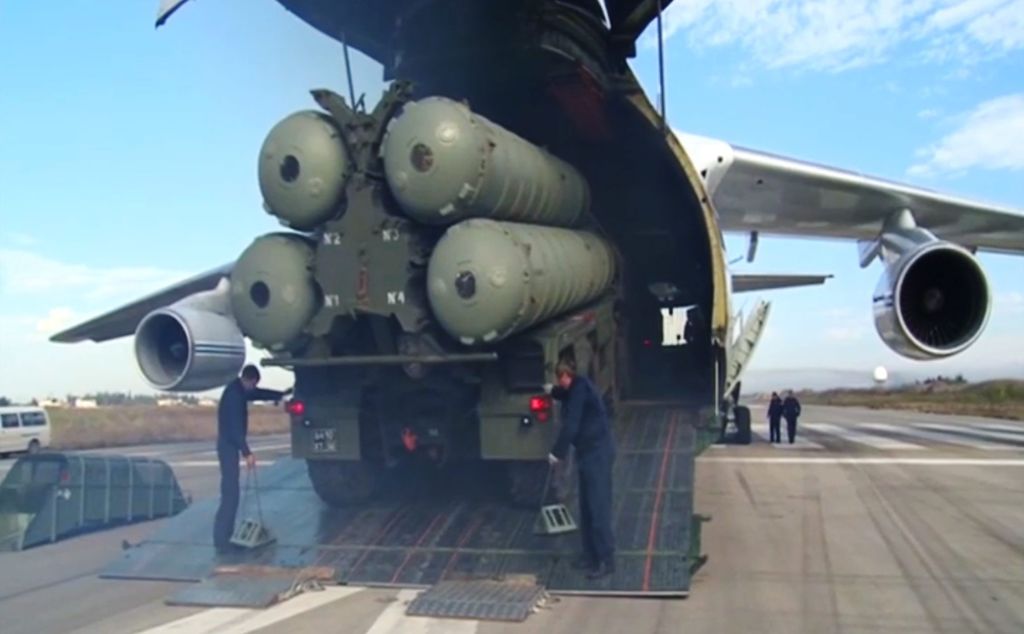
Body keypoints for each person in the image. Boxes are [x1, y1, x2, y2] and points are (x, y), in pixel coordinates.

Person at [546, 357, 616, 579]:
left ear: (568, 375)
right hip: (586, 453)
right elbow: (565, 393)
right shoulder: (575, 387)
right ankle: (589, 555)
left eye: (561, 379)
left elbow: (571, 425)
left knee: (598, 506)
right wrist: (552, 391)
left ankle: (605, 559)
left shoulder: (580, 390)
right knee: (585, 506)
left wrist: (557, 453)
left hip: (598, 452)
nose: (560, 382)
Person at [213, 364, 290, 553]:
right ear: (250, 380)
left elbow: (258, 394)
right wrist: (247, 453)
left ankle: (224, 537)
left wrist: (279, 395)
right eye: (254, 384)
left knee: (231, 493)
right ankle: (222, 540)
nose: (254, 388)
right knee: (230, 494)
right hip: (228, 446)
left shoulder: (238, 389)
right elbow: (235, 429)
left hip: (229, 445)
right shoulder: (234, 396)